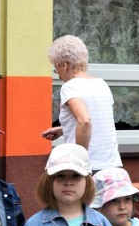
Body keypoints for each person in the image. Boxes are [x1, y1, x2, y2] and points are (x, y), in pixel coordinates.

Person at [41, 35, 122, 172]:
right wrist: (64, 128)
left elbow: (85, 121)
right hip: (112, 165)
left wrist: (80, 163)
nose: (59, 76)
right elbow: (98, 121)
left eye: (56, 69)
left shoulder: (70, 87)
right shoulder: (101, 84)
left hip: (91, 167)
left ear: (64, 65)